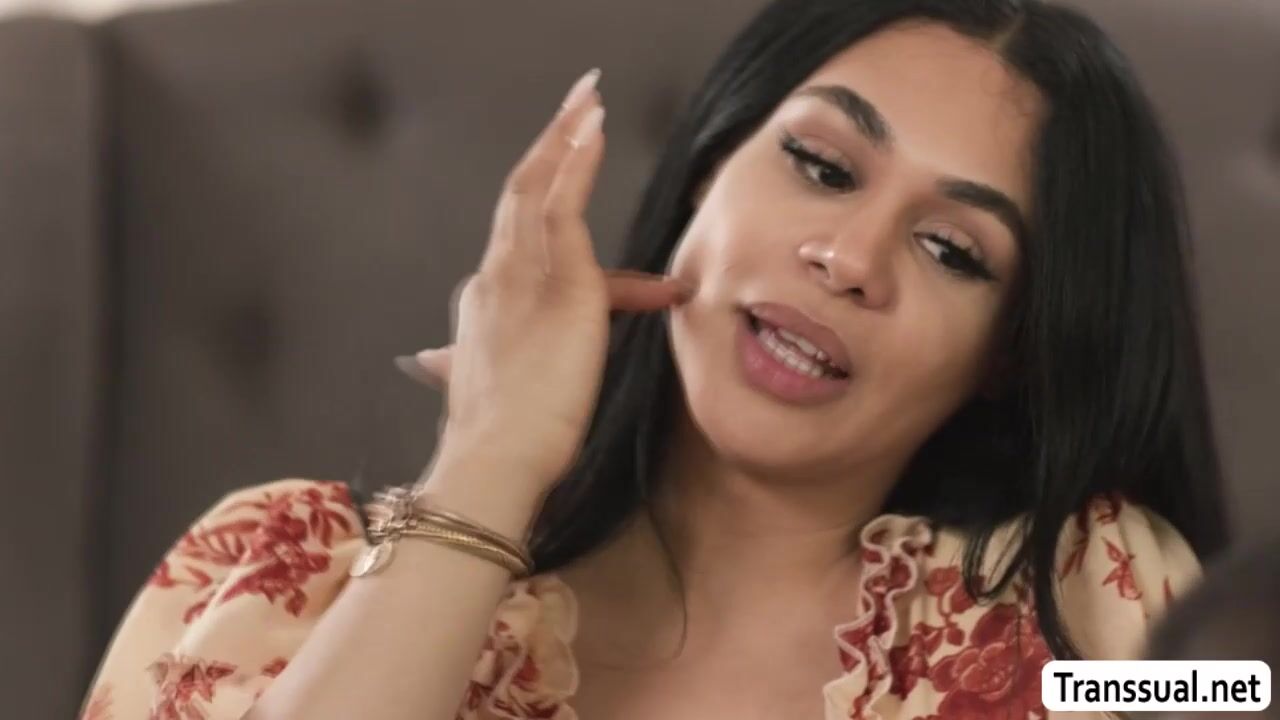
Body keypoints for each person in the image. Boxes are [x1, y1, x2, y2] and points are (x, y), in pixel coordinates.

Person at [80, 0, 1230, 718]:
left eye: (950, 250)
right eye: (822, 167)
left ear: (1008, 357)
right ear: (705, 172)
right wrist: (488, 459)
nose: (846, 258)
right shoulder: (276, 578)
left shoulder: (1089, 605)